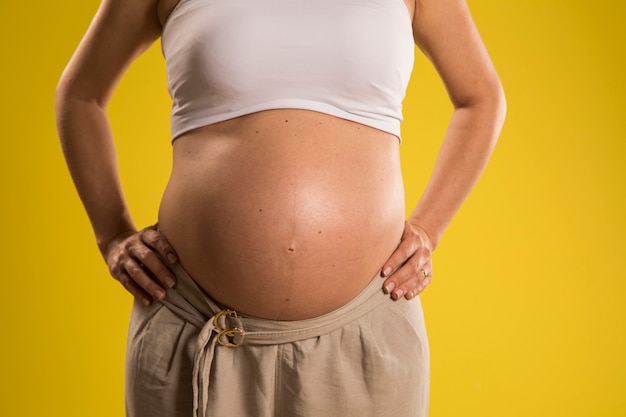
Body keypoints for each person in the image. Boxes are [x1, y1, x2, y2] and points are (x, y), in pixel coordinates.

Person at [55, 0, 505, 415]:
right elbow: (81, 95)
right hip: (194, 324)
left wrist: (429, 227)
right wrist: (111, 233)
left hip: (366, 330)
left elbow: (480, 97)